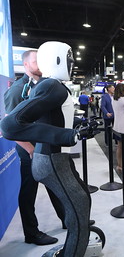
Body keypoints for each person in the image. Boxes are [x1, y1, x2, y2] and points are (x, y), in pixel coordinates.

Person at [1, 41, 94, 257]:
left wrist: (74, 129)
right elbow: (10, 125)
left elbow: (51, 118)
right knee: (79, 206)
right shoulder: (51, 86)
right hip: (51, 158)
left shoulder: (49, 85)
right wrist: (70, 135)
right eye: (69, 60)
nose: (71, 64)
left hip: (55, 157)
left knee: (80, 202)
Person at [3, 49, 64, 246]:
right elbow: (9, 126)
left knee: (56, 186)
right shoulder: (17, 90)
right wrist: (29, 149)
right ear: (26, 64)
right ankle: (31, 233)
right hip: (30, 152)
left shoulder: (45, 85)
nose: (41, 65)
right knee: (29, 192)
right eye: (37, 61)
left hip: (46, 147)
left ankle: (68, 218)